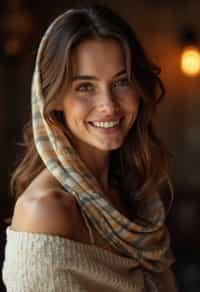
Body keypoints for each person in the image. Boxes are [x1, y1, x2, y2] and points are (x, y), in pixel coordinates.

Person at [2, 4, 178, 291]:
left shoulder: (135, 193)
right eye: (85, 86)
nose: (109, 105)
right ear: (54, 98)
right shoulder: (44, 211)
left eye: (121, 81)